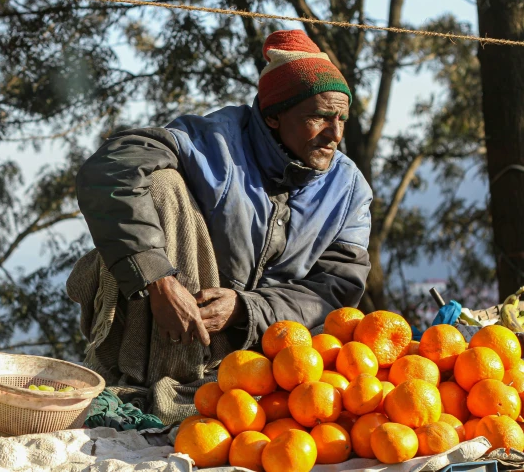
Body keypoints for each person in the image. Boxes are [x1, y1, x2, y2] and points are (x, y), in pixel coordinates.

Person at [71, 30, 372, 413]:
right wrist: (158, 279)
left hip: (266, 360)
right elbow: (107, 172)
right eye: (319, 116)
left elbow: (335, 290)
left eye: (342, 118)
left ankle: (188, 398)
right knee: (160, 185)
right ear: (274, 116)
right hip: (168, 323)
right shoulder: (215, 142)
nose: (336, 134)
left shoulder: (349, 190)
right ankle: (156, 391)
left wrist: (247, 309)